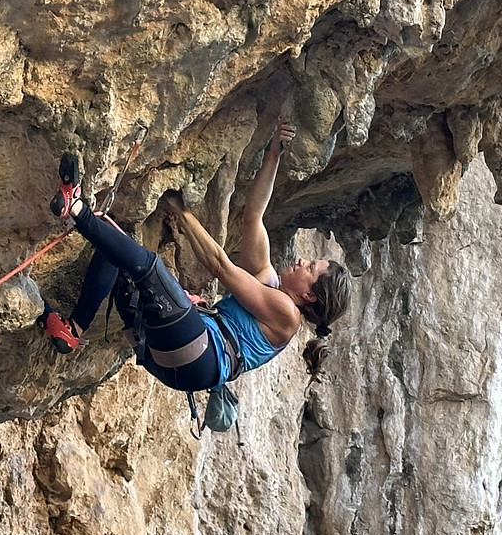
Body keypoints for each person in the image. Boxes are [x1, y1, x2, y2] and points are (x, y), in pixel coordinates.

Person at [39, 121, 350, 392]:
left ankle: (75, 208)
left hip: (200, 356)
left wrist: (181, 211)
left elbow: (220, 267)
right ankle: (73, 329)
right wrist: (273, 155)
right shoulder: (268, 282)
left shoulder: (286, 314)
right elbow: (253, 217)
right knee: (117, 251)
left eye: (310, 267)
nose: (301, 261)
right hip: (183, 356)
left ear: (309, 295)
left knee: (149, 268)